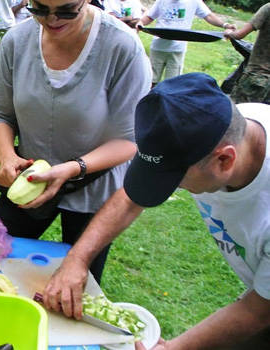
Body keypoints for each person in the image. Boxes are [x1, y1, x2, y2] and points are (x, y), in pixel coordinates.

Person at [41, 73, 270, 349]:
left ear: (225, 159)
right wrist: (77, 259)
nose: (170, 187)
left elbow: (258, 311)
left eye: (174, 179)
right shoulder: (210, 124)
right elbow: (130, 198)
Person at [0, 0, 151, 284]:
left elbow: (128, 139)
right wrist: (7, 158)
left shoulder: (122, 47)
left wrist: (73, 169)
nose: (52, 20)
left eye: (66, 10)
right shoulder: (16, 40)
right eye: (39, 8)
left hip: (94, 186)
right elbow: (1, 114)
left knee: (77, 284)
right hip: (29, 179)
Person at [138, 0, 236, 87]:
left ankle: (166, 106)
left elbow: (209, 16)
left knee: (172, 84)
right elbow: (150, 17)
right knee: (151, 80)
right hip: (158, 47)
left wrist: (225, 25)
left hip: (177, 49)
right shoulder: (161, 1)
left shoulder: (194, 2)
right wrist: (140, 23)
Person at [224, 3, 270, 105]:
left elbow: (240, 35)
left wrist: (230, 33)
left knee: (239, 112)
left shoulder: (268, 8)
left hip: (258, 76)